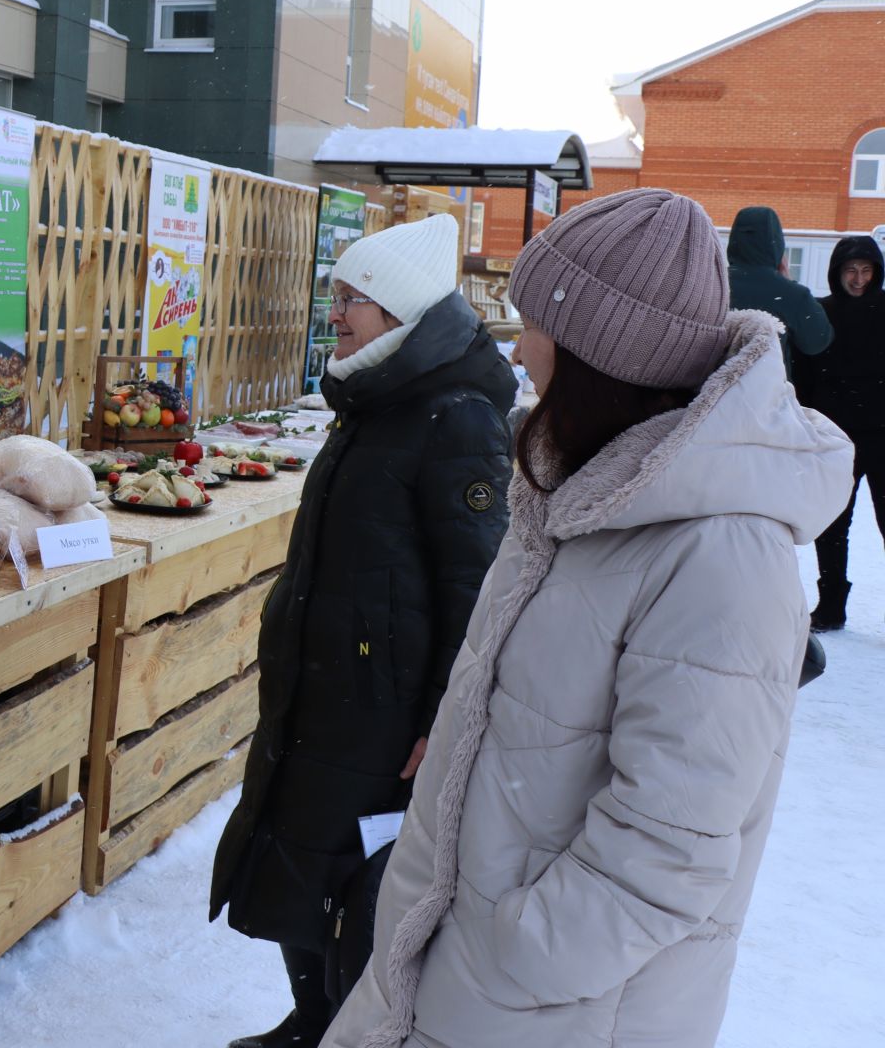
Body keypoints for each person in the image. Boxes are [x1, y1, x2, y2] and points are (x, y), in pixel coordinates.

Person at [321, 189, 852, 1048]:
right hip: (475, 979)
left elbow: (669, 849)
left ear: (601, 354)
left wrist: (512, 951)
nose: (518, 344)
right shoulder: (579, 489)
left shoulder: (719, 554)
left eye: (535, 322)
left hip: (550, 1010)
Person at [209, 213, 515, 1048]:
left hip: (386, 711)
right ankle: (315, 1022)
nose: (335, 313)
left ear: (399, 311)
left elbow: (476, 586)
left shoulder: (455, 416)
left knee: (359, 885)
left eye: (352, 299)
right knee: (300, 861)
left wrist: (439, 721)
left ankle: (357, 1032)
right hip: (328, 691)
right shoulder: (372, 395)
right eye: (336, 295)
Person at [797, 234, 885, 631]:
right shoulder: (821, 312)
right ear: (837, 272)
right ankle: (831, 605)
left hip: (883, 436)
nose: (859, 278)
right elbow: (803, 374)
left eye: (866, 270)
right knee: (832, 525)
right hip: (835, 437)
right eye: (851, 270)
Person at [726, 205, 831, 378]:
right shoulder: (790, 293)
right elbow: (817, 342)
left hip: (711, 394)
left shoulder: (714, 284)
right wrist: (788, 283)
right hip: (767, 395)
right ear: (776, 243)